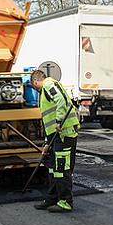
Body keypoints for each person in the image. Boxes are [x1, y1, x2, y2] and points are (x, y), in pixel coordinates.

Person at [30, 69, 80, 213]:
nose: (35, 89)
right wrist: (47, 143)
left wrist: (59, 120)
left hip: (65, 133)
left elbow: (61, 101)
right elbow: (48, 120)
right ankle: (53, 198)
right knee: (53, 168)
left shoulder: (48, 84)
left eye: (34, 86)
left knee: (62, 168)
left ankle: (66, 202)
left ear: (35, 81)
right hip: (56, 135)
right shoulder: (46, 89)